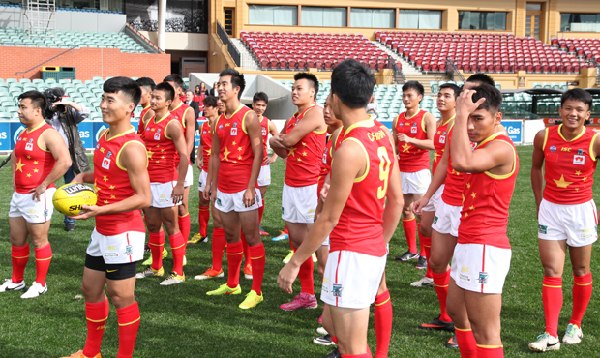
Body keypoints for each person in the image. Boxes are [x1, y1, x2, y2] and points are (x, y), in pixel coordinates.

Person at [278, 59, 403, 358]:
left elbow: (329, 218)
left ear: (335, 97)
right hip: (366, 247)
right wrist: (379, 243)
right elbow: (396, 200)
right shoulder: (382, 134)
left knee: (351, 346)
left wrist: (295, 262)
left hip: (352, 250)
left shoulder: (350, 147)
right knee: (335, 325)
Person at [63, 76, 151, 358]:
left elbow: (143, 198)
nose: (103, 105)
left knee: (121, 297)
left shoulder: (133, 148)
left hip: (123, 231)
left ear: (129, 108)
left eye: (110, 100)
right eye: (103, 98)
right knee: (90, 289)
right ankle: (91, 353)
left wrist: (101, 209)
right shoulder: (105, 136)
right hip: (101, 228)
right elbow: (106, 175)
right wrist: (84, 176)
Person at [446, 84, 519, 357]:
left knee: (485, 330)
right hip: (470, 240)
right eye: (468, 118)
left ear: (497, 118)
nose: (470, 126)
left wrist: (461, 112)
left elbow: (461, 162)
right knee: (456, 310)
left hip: (486, 245)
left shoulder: (500, 147)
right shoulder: (485, 143)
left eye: (478, 118)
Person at [528, 88, 599, 352]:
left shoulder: (595, 140)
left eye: (579, 109)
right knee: (551, 271)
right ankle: (549, 333)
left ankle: (575, 324)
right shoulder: (544, 136)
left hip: (580, 211)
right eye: (568, 108)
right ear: (560, 110)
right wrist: (539, 202)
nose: (573, 113)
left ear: (588, 114)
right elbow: (535, 168)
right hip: (551, 210)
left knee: (580, 270)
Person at [204, 69, 266, 310]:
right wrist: (214, 185)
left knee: (251, 237)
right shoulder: (218, 120)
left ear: (236, 89)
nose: (220, 88)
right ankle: (232, 284)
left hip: (243, 188)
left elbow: (259, 152)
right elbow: (216, 156)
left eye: (224, 84)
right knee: (230, 236)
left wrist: (251, 187)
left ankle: (257, 291)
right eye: (218, 84)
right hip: (225, 189)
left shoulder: (248, 116)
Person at [0, 90, 71, 299]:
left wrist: (44, 184)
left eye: (23, 107)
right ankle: (16, 280)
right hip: (20, 195)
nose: (19, 111)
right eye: (19, 107)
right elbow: (16, 157)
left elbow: (65, 161)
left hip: (39, 197)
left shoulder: (49, 133)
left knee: (39, 240)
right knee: (17, 239)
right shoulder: (24, 132)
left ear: (38, 110)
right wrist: (15, 181)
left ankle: (40, 284)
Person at [270, 73, 327, 311]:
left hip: (311, 185)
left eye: (299, 88)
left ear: (312, 92)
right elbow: (280, 148)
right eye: (292, 88)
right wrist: (280, 141)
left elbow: (288, 140)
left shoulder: (316, 112)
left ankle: (331, 304)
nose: (294, 92)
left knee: (319, 248)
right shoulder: (294, 117)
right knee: (296, 241)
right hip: (292, 184)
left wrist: (280, 140)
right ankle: (307, 295)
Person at [412, 84, 462, 334]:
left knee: (457, 260)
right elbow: (442, 160)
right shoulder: (443, 124)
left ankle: (461, 323)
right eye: (439, 95)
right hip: (439, 184)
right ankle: (445, 315)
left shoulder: (458, 125)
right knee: (425, 227)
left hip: (455, 192)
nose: (441, 99)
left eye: (447, 96)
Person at [135, 82, 189, 285]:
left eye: (158, 98)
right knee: (153, 224)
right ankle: (157, 267)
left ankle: (178, 272)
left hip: (167, 181)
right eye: (153, 97)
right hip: (149, 181)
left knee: (171, 225)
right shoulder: (148, 118)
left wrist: (179, 185)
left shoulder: (173, 124)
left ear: (168, 102)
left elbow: (184, 156)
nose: (154, 101)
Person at [392, 81, 436, 266]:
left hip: (419, 171)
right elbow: (395, 145)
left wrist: (410, 139)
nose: (406, 99)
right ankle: (412, 250)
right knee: (406, 210)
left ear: (419, 97)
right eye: (404, 95)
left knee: (421, 213)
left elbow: (433, 144)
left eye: (410, 95)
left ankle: (425, 255)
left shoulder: (426, 117)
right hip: (403, 170)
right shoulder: (398, 118)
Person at [44, 87, 91, 231]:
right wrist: (49, 111)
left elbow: (86, 112)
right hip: (48, 156)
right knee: (44, 185)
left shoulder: (69, 112)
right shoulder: (43, 115)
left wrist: (69, 104)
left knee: (70, 186)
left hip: (69, 156)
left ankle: (69, 221)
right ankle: (41, 216)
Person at [164, 74, 196, 245]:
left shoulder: (187, 110)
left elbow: (190, 140)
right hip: (162, 166)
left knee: (182, 205)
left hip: (180, 165)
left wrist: (182, 164)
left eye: (170, 87)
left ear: (178, 90)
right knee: (163, 208)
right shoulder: (161, 110)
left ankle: (181, 245)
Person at [190, 95, 218, 245]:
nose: (204, 109)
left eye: (207, 106)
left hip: (219, 172)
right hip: (205, 170)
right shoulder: (204, 126)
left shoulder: (221, 125)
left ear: (216, 108)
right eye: (204, 106)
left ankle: (225, 236)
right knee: (203, 201)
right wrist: (199, 157)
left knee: (219, 206)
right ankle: (202, 233)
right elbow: (201, 144)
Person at [253, 91, 279, 237]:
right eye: (258, 105)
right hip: (248, 164)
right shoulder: (246, 118)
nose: (260, 108)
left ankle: (256, 226)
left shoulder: (268, 123)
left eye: (263, 105)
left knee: (260, 197)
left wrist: (274, 156)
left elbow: (279, 139)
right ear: (253, 104)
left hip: (263, 165)